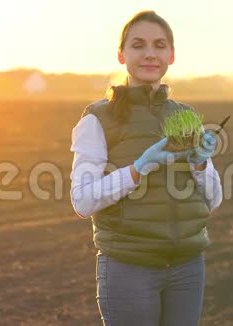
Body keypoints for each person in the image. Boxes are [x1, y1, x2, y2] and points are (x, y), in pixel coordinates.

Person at [69, 10, 223, 326]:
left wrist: (200, 163)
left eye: (159, 45)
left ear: (172, 55)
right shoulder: (98, 119)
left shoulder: (186, 115)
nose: (150, 53)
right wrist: (138, 169)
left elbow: (214, 199)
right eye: (139, 45)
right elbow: (82, 201)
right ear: (121, 55)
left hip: (187, 267)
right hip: (130, 268)